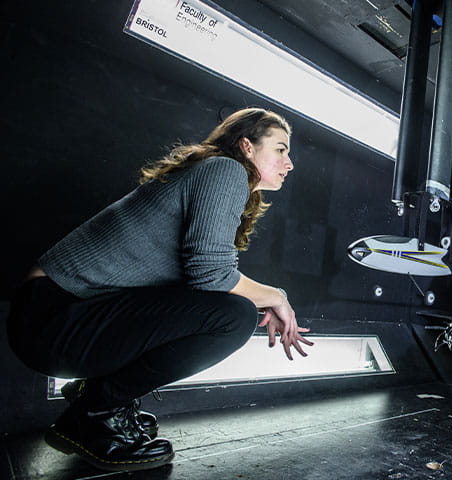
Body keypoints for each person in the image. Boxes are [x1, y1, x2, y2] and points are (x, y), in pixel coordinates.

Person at [6, 107, 314, 472]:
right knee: (233, 316)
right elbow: (211, 274)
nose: (289, 163)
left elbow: (202, 280)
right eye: (280, 149)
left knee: (225, 307)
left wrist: (262, 296)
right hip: (53, 318)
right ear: (246, 146)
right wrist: (277, 297)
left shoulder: (216, 176)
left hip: (59, 317)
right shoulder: (225, 169)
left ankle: (101, 398)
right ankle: (95, 412)